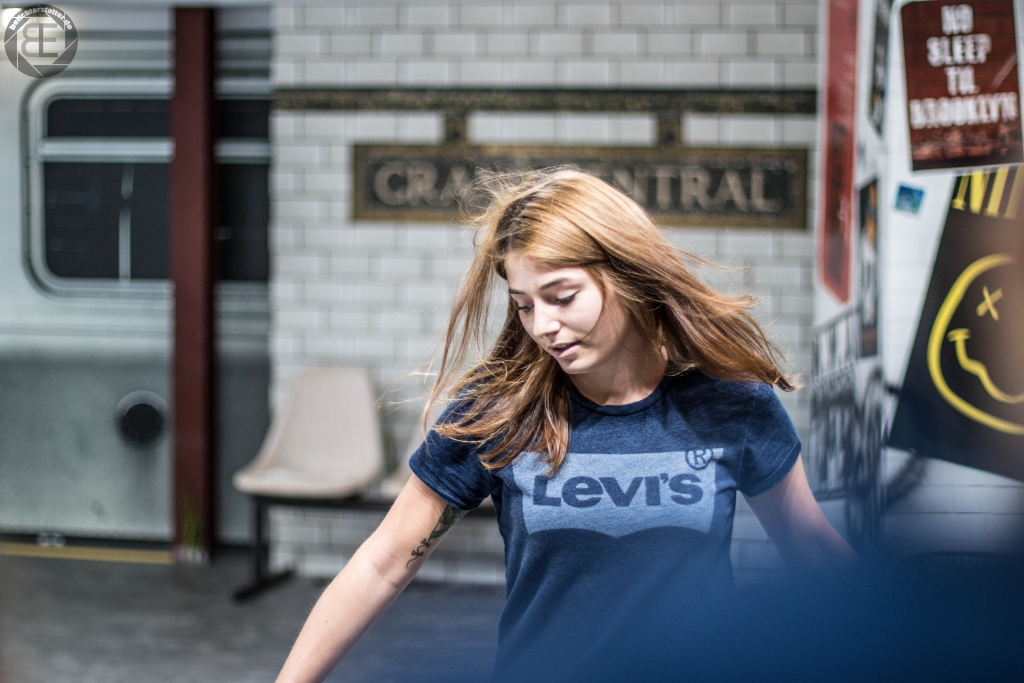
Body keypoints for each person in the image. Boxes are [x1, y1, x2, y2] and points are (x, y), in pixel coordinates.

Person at [274, 169, 856, 683]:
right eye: (525, 304)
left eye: (562, 296)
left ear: (627, 276)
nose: (542, 326)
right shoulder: (499, 411)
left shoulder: (731, 404)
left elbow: (812, 551)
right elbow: (382, 563)